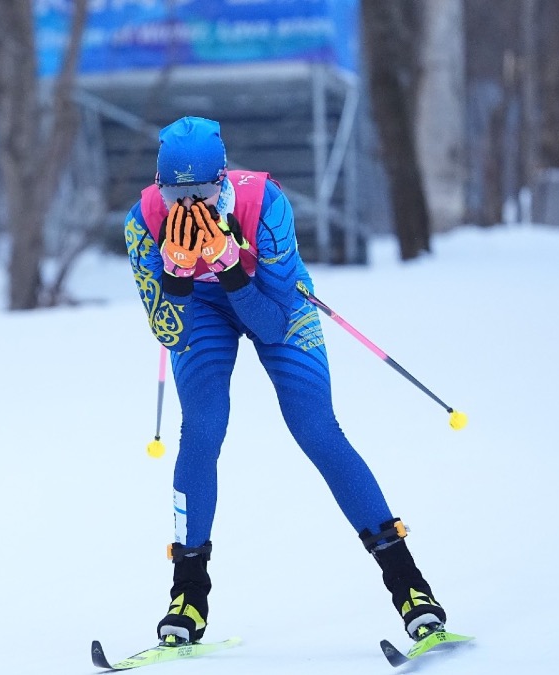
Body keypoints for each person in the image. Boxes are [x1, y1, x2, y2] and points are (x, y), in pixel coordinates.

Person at [123, 116, 447, 645]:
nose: (189, 206)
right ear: (161, 186)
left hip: (271, 298)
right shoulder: (143, 221)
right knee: (202, 431)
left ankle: (411, 588)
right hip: (201, 308)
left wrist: (230, 268)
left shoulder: (263, 204)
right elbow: (168, 332)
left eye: (202, 190)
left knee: (316, 428)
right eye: (176, 192)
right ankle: (188, 599)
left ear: (221, 178)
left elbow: (272, 324)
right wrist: (177, 280)